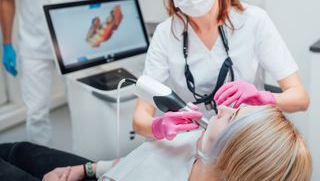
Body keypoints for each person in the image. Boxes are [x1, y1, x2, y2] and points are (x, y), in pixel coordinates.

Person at [132, 0, 310, 141]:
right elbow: (140, 119)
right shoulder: (165, 34)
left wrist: (262, 97)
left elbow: (301, 99)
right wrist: (158, 126)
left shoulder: (254, 21)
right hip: (194, 139)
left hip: (247, 134)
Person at [0, 106, 312, 180]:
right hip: (101, 175)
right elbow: (133, 165)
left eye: (232, 117)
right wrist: (88, 169)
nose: (223, 107)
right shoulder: (200, 148)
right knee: (21, 150)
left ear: (233, 157)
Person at [0, 0, 104, 145]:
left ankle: (86, 161)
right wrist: (6, 43)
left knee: (84, 108)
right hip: (33, 45)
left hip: (75, 43)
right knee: (36, 113)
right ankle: (42, 163)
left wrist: (93, 39)